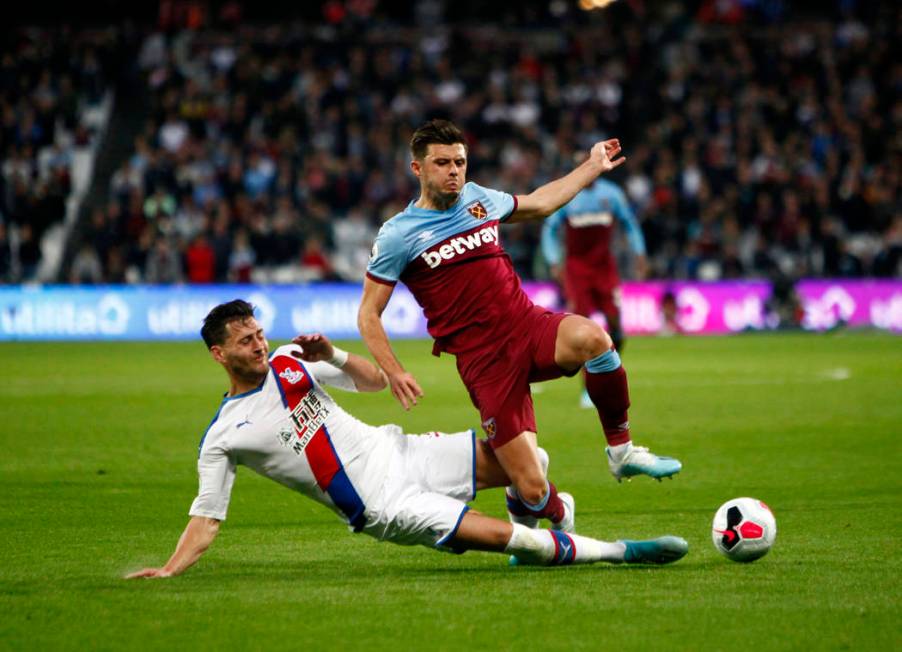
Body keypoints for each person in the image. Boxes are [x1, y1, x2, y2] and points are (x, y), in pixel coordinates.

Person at [125, 300, 688, 578]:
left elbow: (370, 382)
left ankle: (555, 519)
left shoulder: (290, 363)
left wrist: (332, 355)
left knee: (530, 458)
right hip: (384, 503)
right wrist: (170, 569)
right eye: (245, 341)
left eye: (259, 333)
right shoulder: (223, 436)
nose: (258, 344)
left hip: (399, 448)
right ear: (218, 355)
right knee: (524, 543)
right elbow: (207, 520)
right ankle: (620, 553)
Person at [358, 120, 680, 535]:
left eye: (460, 162)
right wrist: (394, 370)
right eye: (442, 163)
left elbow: (541, 203)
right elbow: (368, 314)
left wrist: (592, 165)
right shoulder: (398, 235)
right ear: (417, 169)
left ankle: (621, 450)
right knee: (531, 487)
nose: (454, 171)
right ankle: (551, 511)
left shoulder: (478, 199)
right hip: (484, 362)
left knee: (595, 340)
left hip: (526, 325)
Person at [540, 176, 647, 408]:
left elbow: (629, 223)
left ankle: (609, 372)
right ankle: (589, 390)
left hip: (605, 269)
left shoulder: (611, 194)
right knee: (582, 331)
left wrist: (639, 252)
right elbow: (549, 228)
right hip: (577, 270)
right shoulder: (569, 195)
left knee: (615, 325)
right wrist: (553, 260)